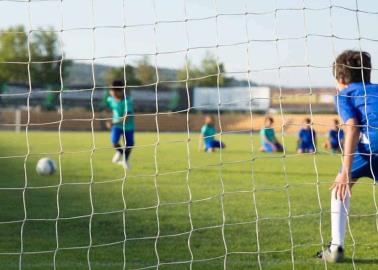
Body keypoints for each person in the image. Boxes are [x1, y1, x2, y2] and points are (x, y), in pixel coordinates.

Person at [317, 50, 378, 262]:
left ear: (340, 78)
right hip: (371, 145)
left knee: (340, 186)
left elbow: (352, 127)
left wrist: (344, 171)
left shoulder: (344, 94)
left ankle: (336, 247)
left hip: (368, 147)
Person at [106, 80, 134, 169]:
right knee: (114, 142)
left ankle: (125, 160)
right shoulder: (110, 99)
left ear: (121, 91)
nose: (112, 93)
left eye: (114, 92)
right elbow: (111, 108)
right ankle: (121, 153)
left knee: (129, 144)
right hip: (117, 126)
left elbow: (126, 118)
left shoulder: (127, 101)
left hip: (128, 126)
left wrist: (112, 122)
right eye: (111, 91)